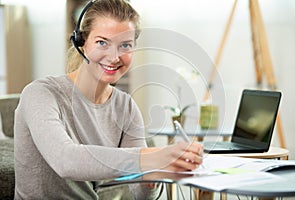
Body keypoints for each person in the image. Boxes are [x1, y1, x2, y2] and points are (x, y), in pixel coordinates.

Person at [14, 0, 203, 199]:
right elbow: (65, 160)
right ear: (82, 43)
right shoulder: (40, 94)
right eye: (102, 42)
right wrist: (152, 157)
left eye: (125, 45)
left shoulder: (125, 107)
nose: (114, 57)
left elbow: (140, 193)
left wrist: (152, 176)